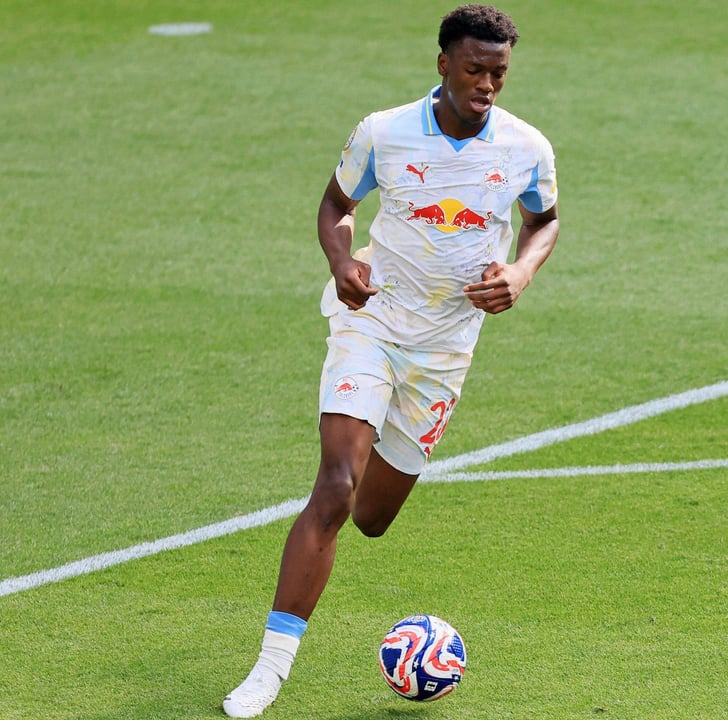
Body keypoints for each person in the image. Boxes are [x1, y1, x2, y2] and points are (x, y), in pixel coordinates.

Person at [222, 4, 559, 716]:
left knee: (372, 515)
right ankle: (269, 669)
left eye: (499, 73)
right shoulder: (384, 132)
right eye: (474, 69)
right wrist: (341, 261)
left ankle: (367, 453)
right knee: (336, 486)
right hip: (370, 322)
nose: (487, 85)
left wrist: (521, 272)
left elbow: (544, 221)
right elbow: (335, 205)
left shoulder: (527, 148)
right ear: (443, 64)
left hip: (445, 349)